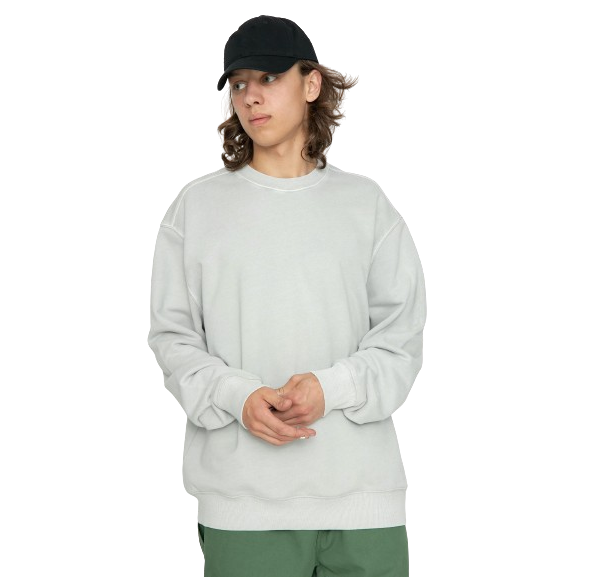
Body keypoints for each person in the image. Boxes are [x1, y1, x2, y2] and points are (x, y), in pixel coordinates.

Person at [147, 14, 427, 577]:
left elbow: (402, 338)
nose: (250, 96)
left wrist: (331, 388)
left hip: (364, 503)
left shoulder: (366, 205)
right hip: (244, 506)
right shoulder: (196, 209)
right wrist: (236, 396)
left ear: (312, 83)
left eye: (269, 78)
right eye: (238, 83)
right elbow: (173, 340)